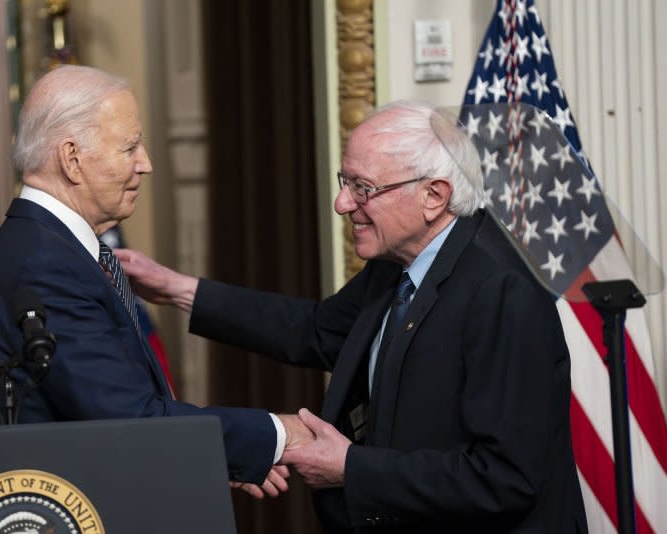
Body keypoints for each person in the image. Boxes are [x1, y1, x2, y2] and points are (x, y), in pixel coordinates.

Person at [115, 101, 589, 532]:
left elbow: (505, 478)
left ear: (434, 196)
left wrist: (351, 468)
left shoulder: (502, 291)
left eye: (363, 188)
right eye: (347, 183)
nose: (344, 204)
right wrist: (176, 289)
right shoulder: (395, 265)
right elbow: (316, 330)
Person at [0, 65, 311, 496]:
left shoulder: (48, 247)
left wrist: (218, 455)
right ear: (72, 159)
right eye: (130, 147)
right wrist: (277, 432)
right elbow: (128, 420)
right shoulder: (45, 263)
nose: (145, 164)